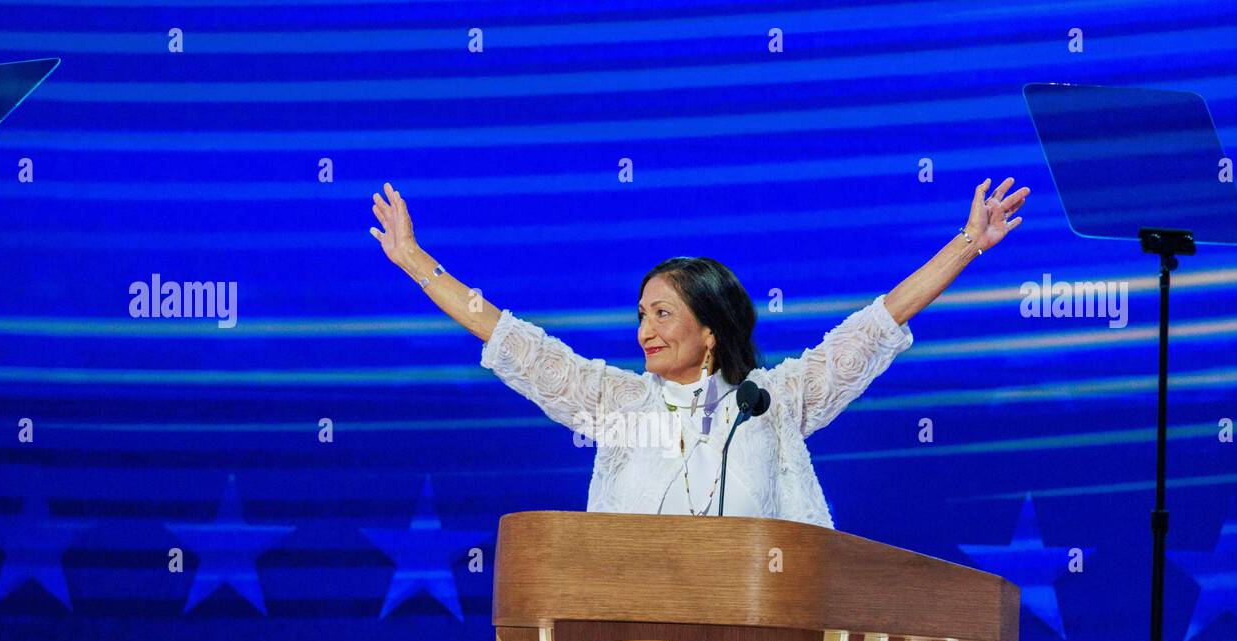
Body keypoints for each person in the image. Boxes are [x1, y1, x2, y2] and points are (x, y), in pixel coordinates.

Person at [369, 178, 1028, 528]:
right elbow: (515, 341)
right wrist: (414, 261)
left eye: (662, 314)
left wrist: (968, 243)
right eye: (640, 316)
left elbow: (878, 321)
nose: (644, 331)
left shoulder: (772, 401)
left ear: (709, 330)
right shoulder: (617, 403)